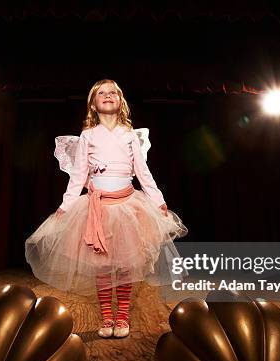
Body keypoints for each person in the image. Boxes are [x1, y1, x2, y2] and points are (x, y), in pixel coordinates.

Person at [25, 79, 187, 338]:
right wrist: (66, 205)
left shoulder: (129, 135)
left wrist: (157, 200)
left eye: (113, 92)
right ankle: (107, 317)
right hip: (97, 208)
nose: (108, 95)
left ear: (120, 101)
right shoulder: (88, 136)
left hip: (128, 207)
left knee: (126, 265)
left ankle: (122, 316)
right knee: (101, 265)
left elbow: (143, 173)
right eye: (102, 93)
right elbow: (78, 176)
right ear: (93, 104)